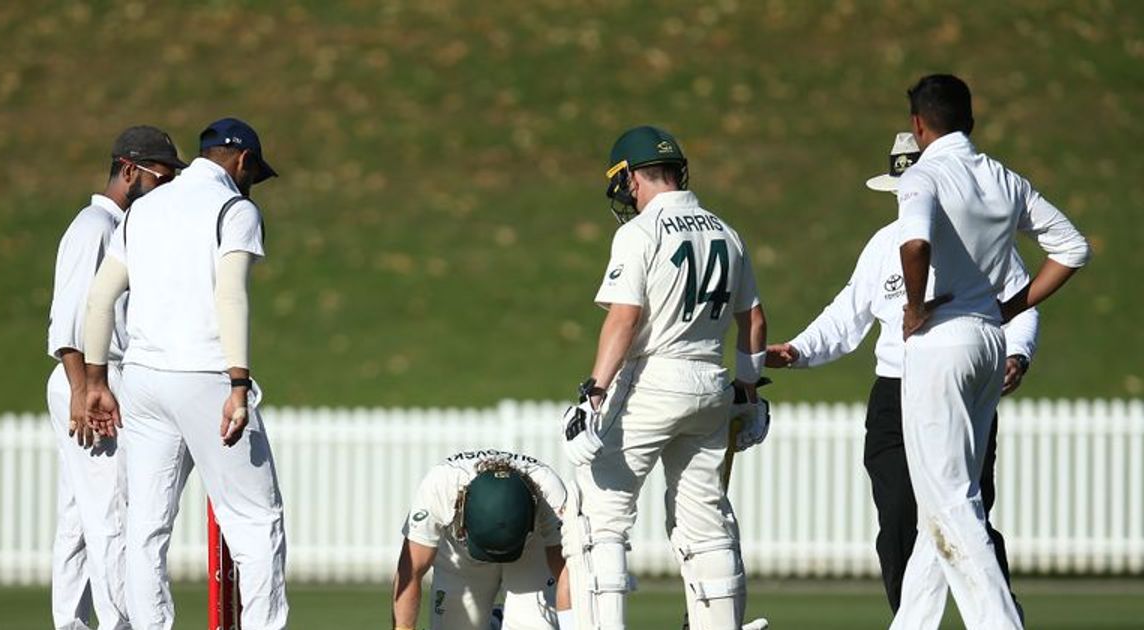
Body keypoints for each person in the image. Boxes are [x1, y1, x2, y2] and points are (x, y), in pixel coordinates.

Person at [765, 132, 1038, 619]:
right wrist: (798, 350)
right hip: (894, 391)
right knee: (897, 522)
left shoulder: (974, 237)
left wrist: (1017, 352)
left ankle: (1000, 613)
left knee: (963, 512)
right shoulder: (881, 246)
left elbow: (1022, 302)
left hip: (955, 387)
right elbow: (846, 316)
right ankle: (908, 619)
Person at [890, 75, 1089, 629]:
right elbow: (1071, 248)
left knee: (951, 500)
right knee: (945, 498)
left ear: (917, 126)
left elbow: (914, 244)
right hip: (986, 338)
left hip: (943, 343)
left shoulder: (923, 174)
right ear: (970, 121)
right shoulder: (1004, 179)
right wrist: (1011, 306)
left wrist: (913, 307)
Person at [560, 125, 768, 630]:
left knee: (597, 517)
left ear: (631, 179)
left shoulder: (639, 233)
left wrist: (595, 391)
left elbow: (625, 318)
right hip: (711, 383)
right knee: (706, 522)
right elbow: (754, 320)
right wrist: (748, 389)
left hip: (652, 379)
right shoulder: (726, 231)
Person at [82, 118, 287, 629]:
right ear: (242, 162)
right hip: (206, 375)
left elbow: (101, 297)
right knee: (256, 521)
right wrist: (238, 385)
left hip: (144, 379)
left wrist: (95, 381)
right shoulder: (235, 209)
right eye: (253, 173)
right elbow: (229, 293)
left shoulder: (143, 209)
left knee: (145, 527)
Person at [45, 125, 184, 630]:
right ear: (130, 170)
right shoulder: (94, 227)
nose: (166, 188)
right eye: (161, 177)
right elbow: (69, 322)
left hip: (93, 380)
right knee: (112, 515)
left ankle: (73, 623)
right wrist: (85, 391)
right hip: (91, 380)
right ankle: (120, 622)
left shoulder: (117, 228)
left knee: (80, 519)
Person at [392, 449, 570, 630]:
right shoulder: (440, 486)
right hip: (461, 553)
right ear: (461, 510)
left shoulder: (549, 491)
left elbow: (566, 573)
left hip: (530, 548)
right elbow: (411, 571)